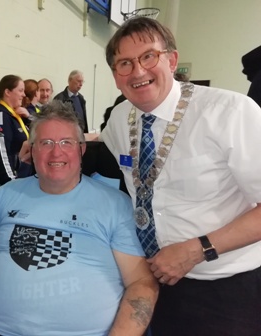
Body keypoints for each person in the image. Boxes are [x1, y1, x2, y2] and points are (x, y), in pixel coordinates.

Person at [101, 16, 261, 335]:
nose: (138, 71)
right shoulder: (119, 119)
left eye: (149, 56)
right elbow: (103, 153)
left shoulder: (231, 113)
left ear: (172, 60)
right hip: (156, 282)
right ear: (116, 76)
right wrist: (47, 145)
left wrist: (198, 249)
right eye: (124, 63)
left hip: (226, 289)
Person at [0, 100, 158, 336]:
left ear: (81, 149)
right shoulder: (6, 194)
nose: (57, 152)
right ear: (32, 150)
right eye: (46, 143)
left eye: (67, 142)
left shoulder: (115, 204)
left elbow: (141, 284)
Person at [0, 75, 32, 191]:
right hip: (6, 182)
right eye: (20, 90)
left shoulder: (15, 115)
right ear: (8, 92)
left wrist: (29, 118)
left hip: (21, 177)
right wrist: (11, 182)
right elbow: (2, 153)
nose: (24, 95)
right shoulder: (0, 116)